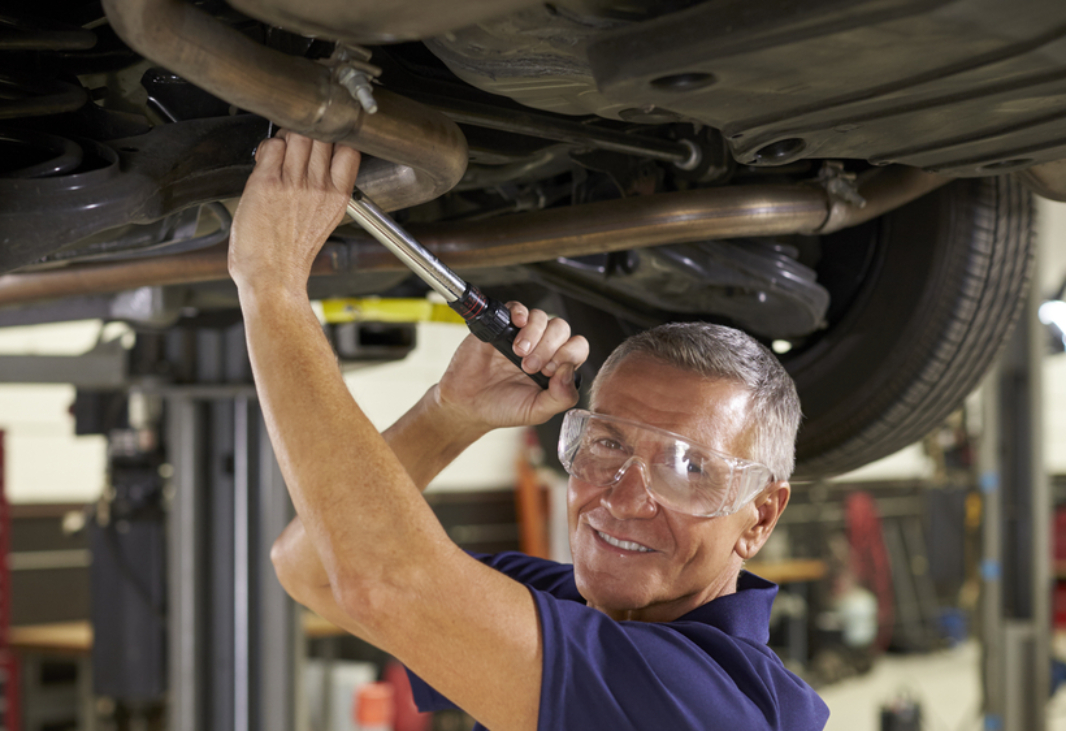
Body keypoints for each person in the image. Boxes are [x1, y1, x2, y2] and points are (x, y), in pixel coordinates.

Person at [228, 131, 830, 730]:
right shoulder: (577, 606)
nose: (622, 499)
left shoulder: (708, 706)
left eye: (689, 468)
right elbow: (310, 568)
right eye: (609, 444)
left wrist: (272, 284)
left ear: (760, 517)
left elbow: (380, 583)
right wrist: (448, 415)